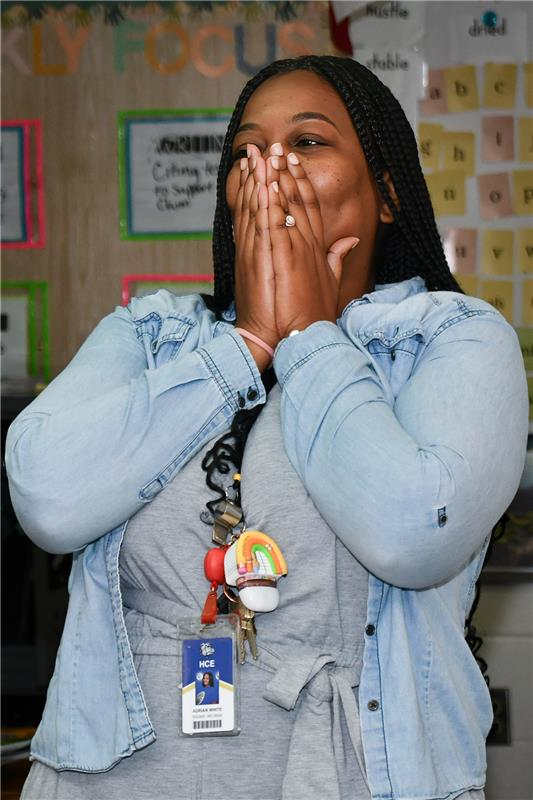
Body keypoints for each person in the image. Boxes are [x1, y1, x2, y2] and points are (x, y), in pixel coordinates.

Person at [6, 55, 528, 800]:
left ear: (385, 195)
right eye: (246, 151)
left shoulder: (452, 339)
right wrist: (244, 343)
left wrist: (309, 334)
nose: (269, 167)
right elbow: (48, 497)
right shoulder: (152, 334)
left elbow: (413, 529)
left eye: (307, 142)